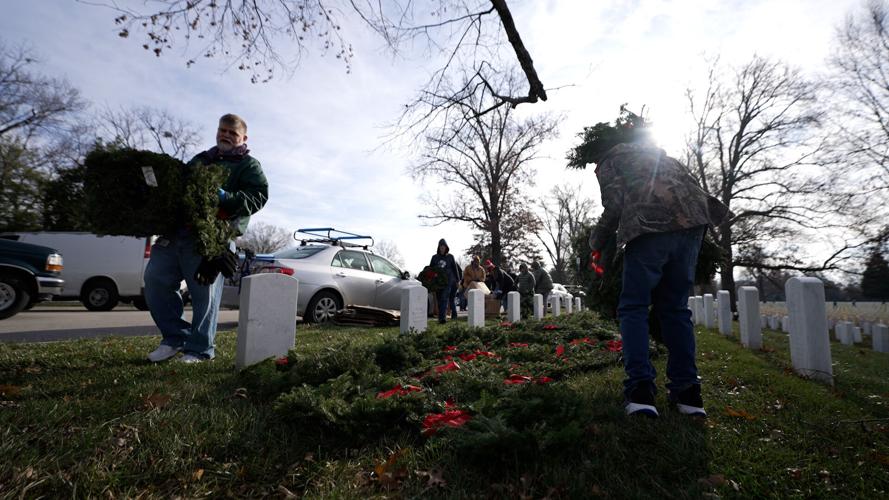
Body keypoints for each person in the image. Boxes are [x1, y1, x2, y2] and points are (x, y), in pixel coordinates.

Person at [587, 113, 730, 418]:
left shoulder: (611, 160)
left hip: (649, 226)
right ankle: (688, 394)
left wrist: (596, 241)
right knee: (675, 308)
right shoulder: (667, 158)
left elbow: (614, 205)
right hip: (692, 228)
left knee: (634, 307)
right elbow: (694, 193)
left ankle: (640, 392)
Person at [144, 113, 269, 364]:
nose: (225, 135)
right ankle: (174, 338)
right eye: (222, 130)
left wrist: (226, 197)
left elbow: (258, 197)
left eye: (232, 133)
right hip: (178, 233)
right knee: (155, 279)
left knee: (204, 293)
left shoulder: (248, 165)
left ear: (243, 138)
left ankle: (200, 349)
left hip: (213, 238)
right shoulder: (200, 160)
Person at [430, 239, 461, 323]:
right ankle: (441, 317)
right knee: (439, 299)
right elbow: (430, 270)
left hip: (448, 281)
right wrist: (431, 280)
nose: (442, 248)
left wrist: (458, 281)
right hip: (438, 282)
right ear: (438, 247)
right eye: (441, 246)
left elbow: (455, 269)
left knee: (444, 298)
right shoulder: (434, 257)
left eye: (443, 246)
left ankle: (442, 318)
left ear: (446, 247)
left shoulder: (450, 257)